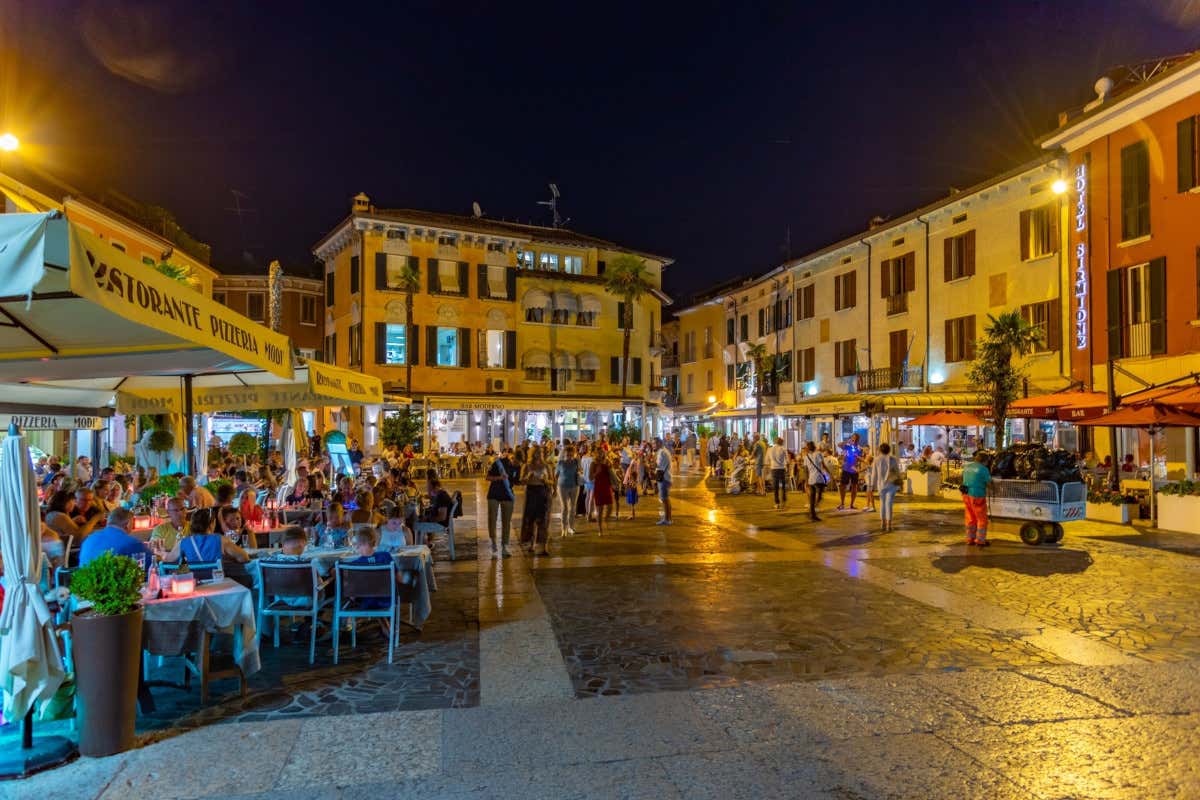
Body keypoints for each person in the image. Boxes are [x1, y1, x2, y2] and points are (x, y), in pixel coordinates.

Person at [79, 508, 153, 568]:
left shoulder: (89, 539)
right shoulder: (132, 543)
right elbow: (152, 564)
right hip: (114, 585)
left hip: (86, 584)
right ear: (127, 524)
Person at [520, 449, 553, 555]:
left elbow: (552, 481)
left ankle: (544, 547)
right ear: (531, 454)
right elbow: (521, 481)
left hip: (542, 492)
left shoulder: (546, 466)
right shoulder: (526, 466)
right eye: (535, 453)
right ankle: (532, 544)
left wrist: (546, 481)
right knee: (530, 520)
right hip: (531, 492)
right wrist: (527, 477)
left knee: (543, 520)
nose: (537, 455)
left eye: (539, 453)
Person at [485, 451, 516, 557]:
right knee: (492, 520)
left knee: (506, 522)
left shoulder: (517, 467)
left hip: (508, 495)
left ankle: (505, 546)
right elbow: (487, 477)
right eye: (512, 458)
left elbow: (517, 481)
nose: (513, 460)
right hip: (494, 494)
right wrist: (499, 478)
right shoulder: (498, 463)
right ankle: (493, 544)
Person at [961, 450, 993, 546]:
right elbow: (989, 484)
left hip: (966, 495)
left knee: (970, 517)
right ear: (985, 461)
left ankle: (970, 539)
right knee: (981, 519)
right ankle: (980, 540)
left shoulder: (967, 467)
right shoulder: (983, 469)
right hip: (977, 496)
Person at [870, 444, 903, 532]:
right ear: (889, 450)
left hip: (881, 485)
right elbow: (898, 472)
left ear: (880, 450)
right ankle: (889, 525)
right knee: (889, 504)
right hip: (891, 484)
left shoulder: (876, 460)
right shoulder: (893, 459)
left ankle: (882, 523)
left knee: (882, 504)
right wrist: (900, 483)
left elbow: (874, 474)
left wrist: (871, 486)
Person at [555, 444, 581, 537]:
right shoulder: (560, 463)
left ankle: (571, 527)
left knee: (573, 507)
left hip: (574, 486)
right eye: (567, 455)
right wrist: (554, 489)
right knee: (565, 508)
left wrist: (579, 466)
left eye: (571, 455)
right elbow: (556, 475)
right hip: (562, 486)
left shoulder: (576, 461)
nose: (569, 457)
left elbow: (580, 471)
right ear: (564, 454)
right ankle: (563, 528)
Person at [803, 441, 830, 522]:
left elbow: (805, 470)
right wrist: (830, 473)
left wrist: (806, 481)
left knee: (812, 497)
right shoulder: (818, 454)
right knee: (820, 495)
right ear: (814, 447)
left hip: (811, 479)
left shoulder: (806, 457)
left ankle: (812, 514)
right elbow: (823, 465)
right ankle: (814, 508)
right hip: (818, 478)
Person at [590, 450, 615, 535]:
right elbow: (590, 477)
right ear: (596, 454)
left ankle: (606, 518)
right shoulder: (593, 464)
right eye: (599, 453)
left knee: (610, 506)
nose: (601, 454)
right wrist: (597, 472)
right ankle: (600, 529)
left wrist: (610, 466)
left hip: (607, 487)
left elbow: (612, 473)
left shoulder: (607, 461)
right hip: (599, 487)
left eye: (602, 453)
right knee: (599, 510)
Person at [837, 433, 863, 511]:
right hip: (846, 468)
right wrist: (847, 441)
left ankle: (852, 504)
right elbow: (839, 444)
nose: (854, 439)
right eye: (853, 437)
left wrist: (858, 461)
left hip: (854, 470)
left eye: (856, 438)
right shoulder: (847, 446)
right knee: (842, 486)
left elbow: (860, 459)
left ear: (858, 439)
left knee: (854, 487)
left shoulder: (859, 448)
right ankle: (842, 503)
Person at [654, 438, 673, 525]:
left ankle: (667, 519)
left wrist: (653, 465)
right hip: (665, 478)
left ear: (659, 443)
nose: (654, 445)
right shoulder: (663, 452)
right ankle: (668, 518)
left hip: (664, 478)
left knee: (665, 499)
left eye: (655, 443)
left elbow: (661, 467)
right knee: (666, 499)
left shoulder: (663, 453)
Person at [766, 436, 789, 510]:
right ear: (781, 442)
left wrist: (770, 466)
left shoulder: (770, 449)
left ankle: (777, 503)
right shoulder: (783, 449)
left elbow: (767, 460)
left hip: (774, 469)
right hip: (782, 469)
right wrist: (787, 467)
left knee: (775, 487)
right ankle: (784, 502)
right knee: (783, 486)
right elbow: (787, 460)